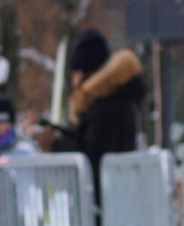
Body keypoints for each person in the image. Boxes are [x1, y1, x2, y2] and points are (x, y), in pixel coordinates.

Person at [40, 25, 145, 167]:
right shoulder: (111, 102)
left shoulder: (106, 110)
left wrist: (55, 144)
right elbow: (87, 140)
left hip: (108, 188)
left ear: (86, 74)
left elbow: (92, 158)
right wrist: (50, 128)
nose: (74, 81)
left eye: (76, 73)